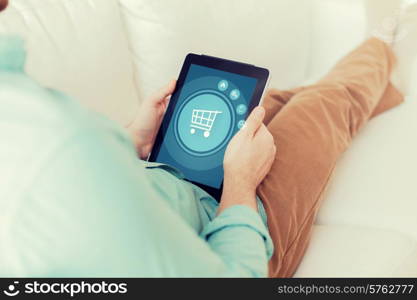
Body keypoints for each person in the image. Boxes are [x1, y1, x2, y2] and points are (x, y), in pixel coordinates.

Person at [0, 0, 414, 277]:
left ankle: (373, 87)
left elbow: (80, 198)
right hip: (236, 229)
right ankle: (385, 43)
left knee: (269, 101)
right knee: (326, 103)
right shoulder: (60, 139)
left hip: (169, 173)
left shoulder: (36, 122)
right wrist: (240, 183)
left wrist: (129, 142)